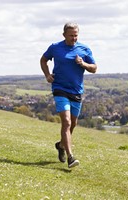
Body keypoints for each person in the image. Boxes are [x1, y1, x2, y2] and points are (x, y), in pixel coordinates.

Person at [40, 22, 97, 168]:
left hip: (76, 91)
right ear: (64, 35)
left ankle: (61, 145)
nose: (73, 38)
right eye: (71, 35)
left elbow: (94, 68)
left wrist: (83, 64)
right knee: (66, 122)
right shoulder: (55, 47)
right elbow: (43, 60)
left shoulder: (84, 49)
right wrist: (47, 75)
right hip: (59, 88)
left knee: (73, 124)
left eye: (76, 35)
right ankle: (71, 157)